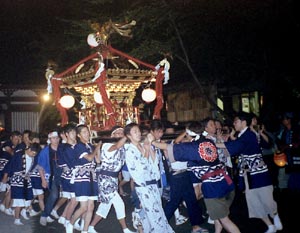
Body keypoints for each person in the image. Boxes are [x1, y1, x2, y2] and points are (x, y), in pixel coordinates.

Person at [149, 124, 240, 233]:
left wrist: (153, 142)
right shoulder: (208, 142)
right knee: (217, 217)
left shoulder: (192, 147)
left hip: (213, 187)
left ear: (189, 135)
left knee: (224, 220)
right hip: (226, 183)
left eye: (186, 134)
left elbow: (169, 147)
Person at [216, 111, 283, 233]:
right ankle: (270, 226)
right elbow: (234, 147)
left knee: (266, 198)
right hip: (248, 174)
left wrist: (217, 143)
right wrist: (224, 140)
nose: (234, 124)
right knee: (254, 202)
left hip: (258, 173)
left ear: (243, 122)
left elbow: (235, 147)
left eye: (236, 121)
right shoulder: (243, 135)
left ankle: (275, 216)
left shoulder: (249, 135)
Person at [124, 123, 174, 233]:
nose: (138, 134)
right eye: (135, 132)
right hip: (143, 187)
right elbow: (141, 169)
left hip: (153, 185)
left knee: (157, 213)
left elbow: (154, 164)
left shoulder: (143, 145)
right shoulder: (129, 150)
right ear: (129, 136)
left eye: (138, 131)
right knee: (155, 216)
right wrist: (147, 150)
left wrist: (150, 147)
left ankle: (141, 225)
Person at [88, 126, 135, 233]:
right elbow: (115, 147)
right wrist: (128, 135)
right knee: (119, 203)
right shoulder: (107, 145)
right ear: (112, 135)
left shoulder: (123, 147)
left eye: (121, 133)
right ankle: (125, 229)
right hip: (105, 178)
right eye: (117, 133)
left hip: (112, 179)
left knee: (105, 205)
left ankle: (90, 227)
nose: (120, 135)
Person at [65, 124, 101, 233]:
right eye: (84, 132)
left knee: (91, 207)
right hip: (82, 178)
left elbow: (98, 161)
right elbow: (90, 158)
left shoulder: (90, 145)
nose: (87, 134)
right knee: (84, 207)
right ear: (79, 135)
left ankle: (85, 230)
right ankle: (70, 223)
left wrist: (97, 149)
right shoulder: (79, 146)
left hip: (92, 177)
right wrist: (97, 148)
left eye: (88, 131)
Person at [9, 143, 41, 225]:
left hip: (26, 179)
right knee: (19, 200)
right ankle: (17, 219)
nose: (33, 155)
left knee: (28, 198)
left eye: (35, 154)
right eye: (33, 153)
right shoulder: (19, 155)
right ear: (29, 149)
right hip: (17, 180)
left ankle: (22, 212)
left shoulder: (32, 157)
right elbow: (12, 167)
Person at [38, 130, 64, 226]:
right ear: (49, 140)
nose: (56, 140)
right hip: (51, 176)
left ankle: (65, 217)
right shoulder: (45, 151)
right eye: (53, 138)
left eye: (57, 138)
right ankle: (44, 215)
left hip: (62, 175)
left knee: (69, 195)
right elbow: (40, 167)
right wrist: (43, 180)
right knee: (54, 195)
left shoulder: (62, 148)